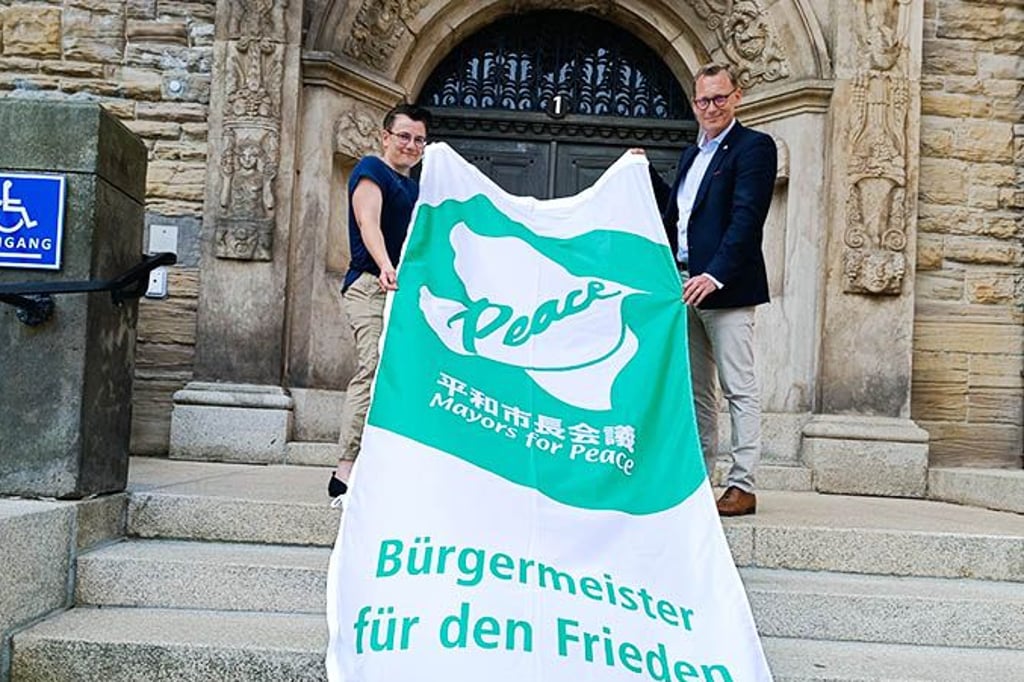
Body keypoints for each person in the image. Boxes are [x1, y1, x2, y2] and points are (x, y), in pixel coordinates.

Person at [646, 63, 777, 516]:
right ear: (694, 103)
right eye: (703, 100)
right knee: (697, 392)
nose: (711, 107)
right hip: (684, 287)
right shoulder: (691, 155)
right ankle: (700, 479)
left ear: (737, 97)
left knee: (738, 387)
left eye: (720, 98)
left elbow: (746, 219)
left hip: (726, 288)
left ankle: (742, 484)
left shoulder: (754, 147)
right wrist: (642, 172)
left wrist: (715, 275)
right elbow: (676, 215)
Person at [329, 103, 432, 498]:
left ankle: (388, 463)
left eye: (419, 140)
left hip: (404, 295)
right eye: (404, 136)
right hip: (370, 285)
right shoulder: (371, 169)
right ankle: (344, 472)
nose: (411, 145)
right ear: (385, 136)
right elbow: (367, 221)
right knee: (372, 369)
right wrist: (386, 265)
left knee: (405, 374)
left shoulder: (417, 190)